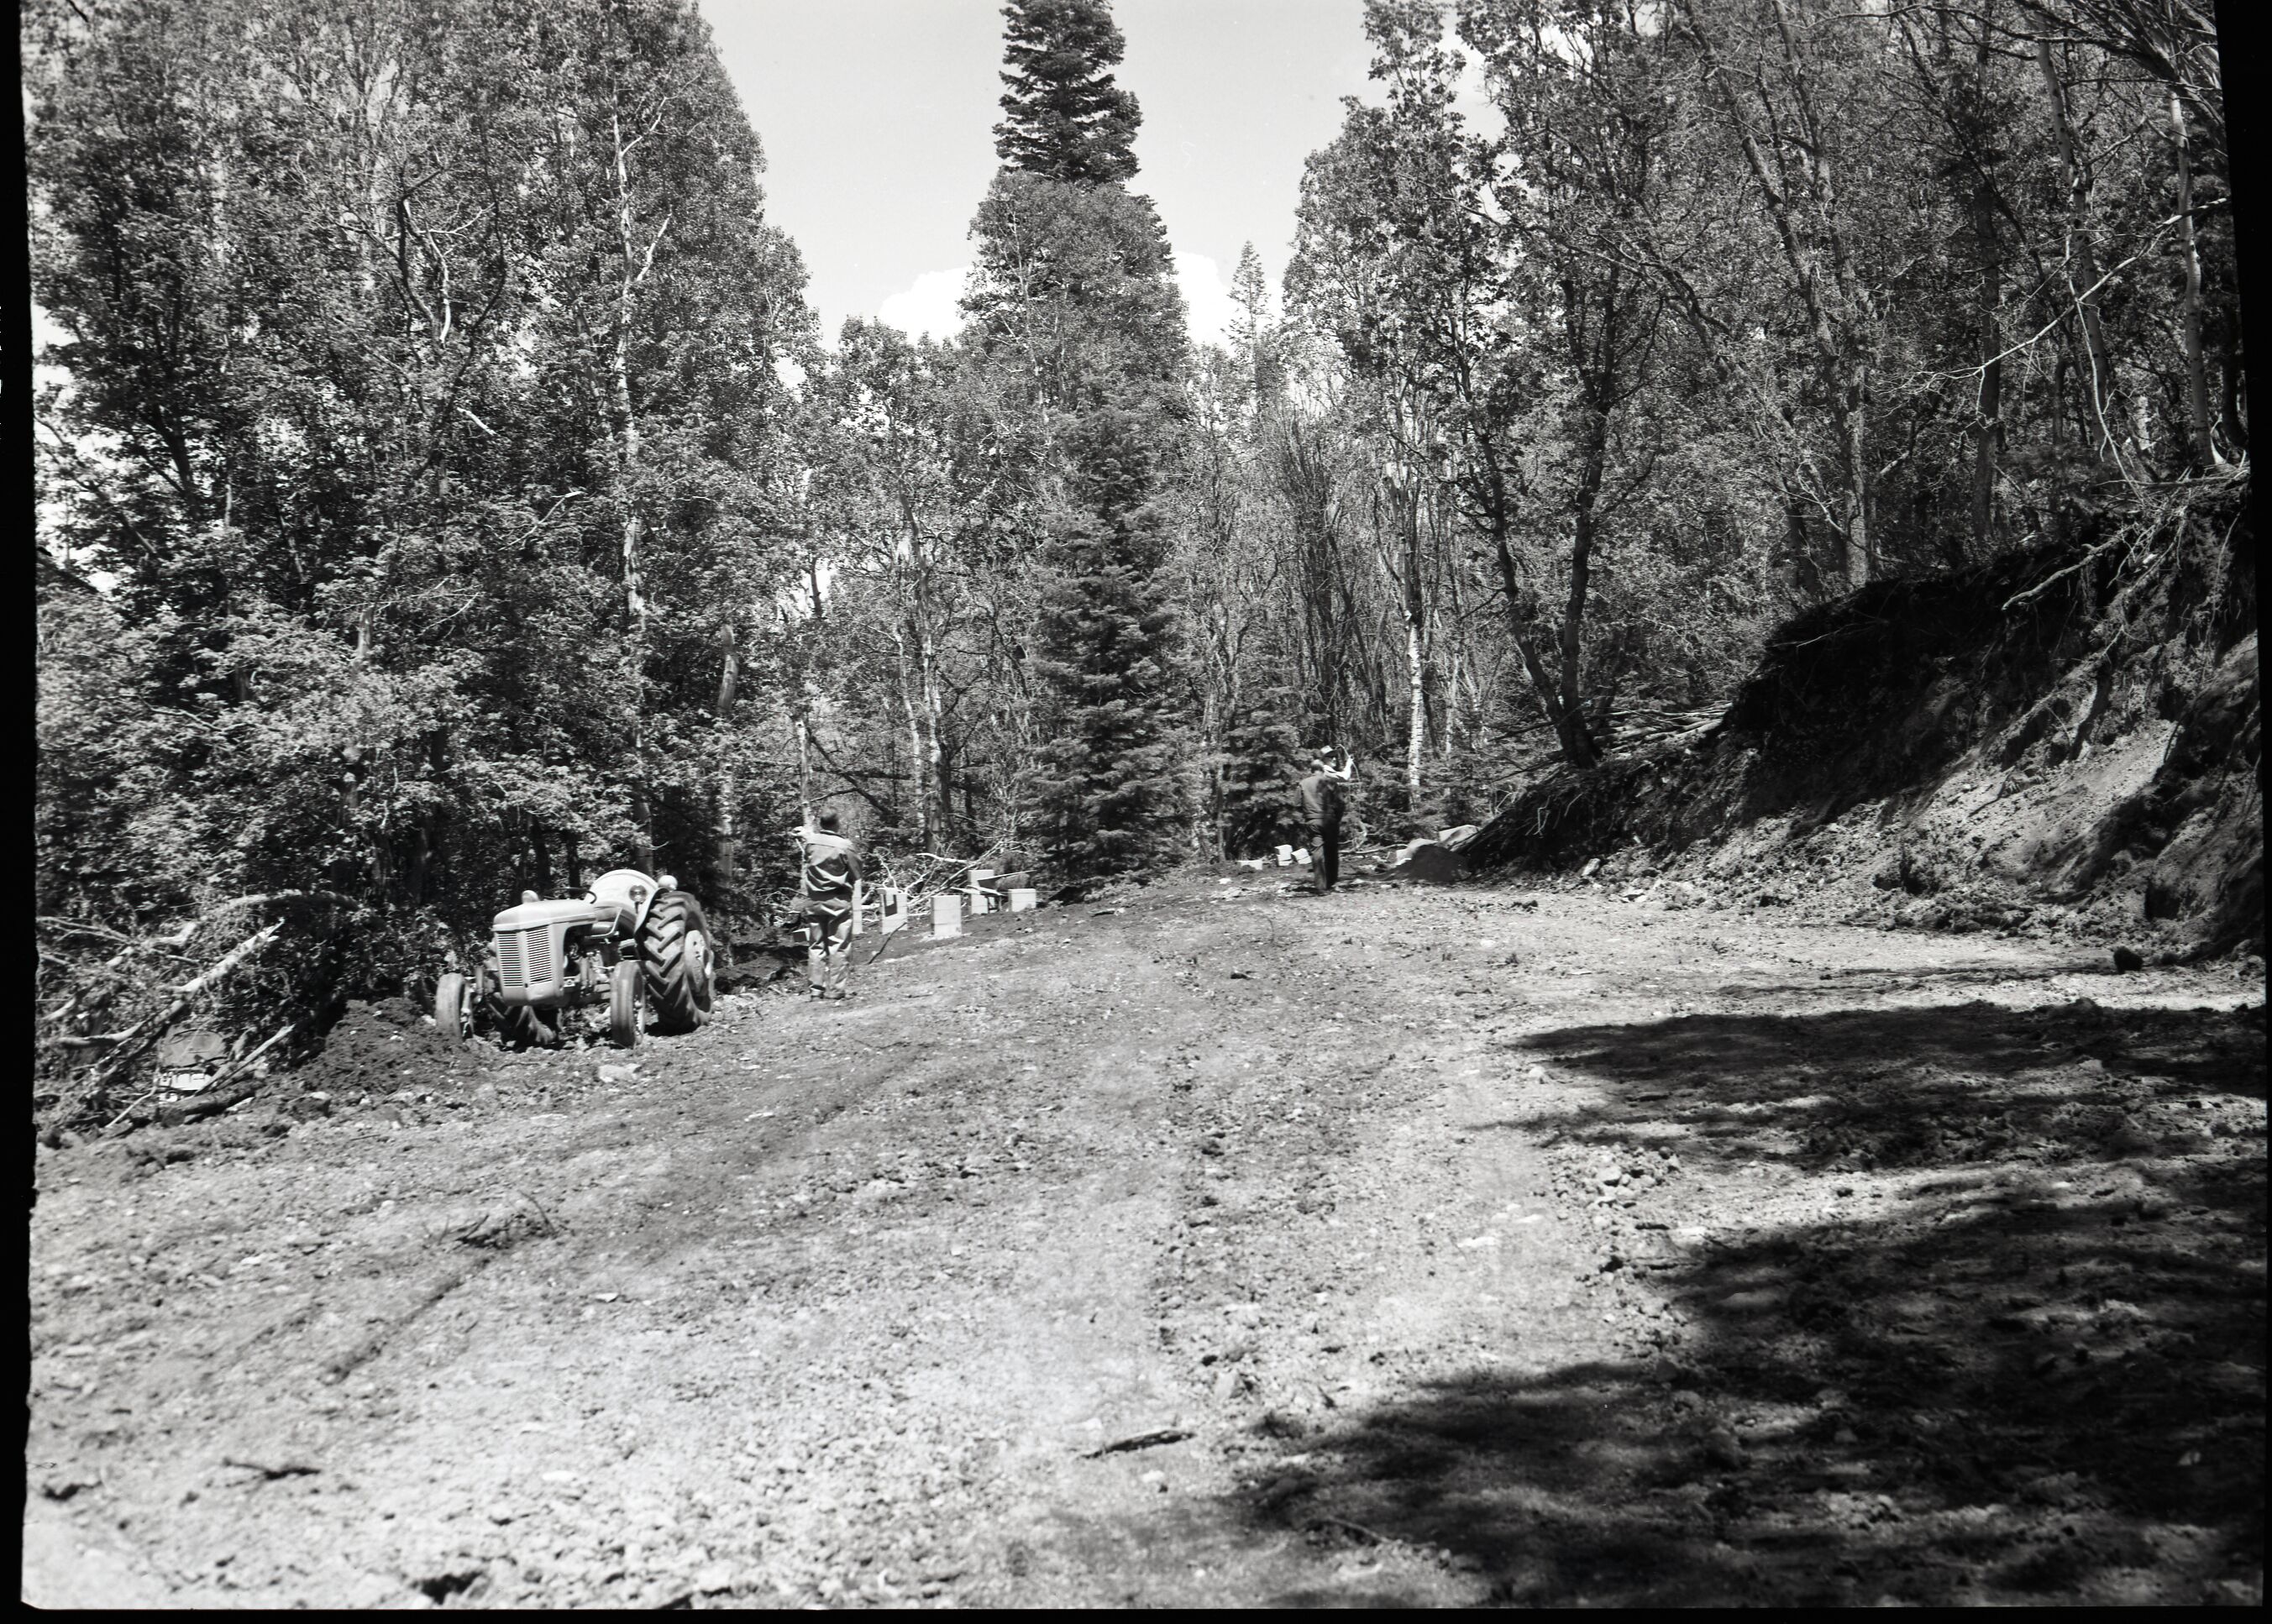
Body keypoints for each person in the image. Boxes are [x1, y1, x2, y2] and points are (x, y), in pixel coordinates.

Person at [792, 811, 863, 999]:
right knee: (838, 946)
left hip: (813, 901)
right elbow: (857, 873)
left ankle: (816, 991)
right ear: (838, 823)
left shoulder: (810, 842)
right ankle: (837, 991)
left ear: (820, 823)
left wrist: (808, 833)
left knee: (816, 946)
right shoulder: (844, 845)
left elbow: (811, 847)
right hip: (837, 901)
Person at [1296, 747, 1353, 893]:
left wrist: (1307, 815)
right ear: (1322, 769)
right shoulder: (1330, 782)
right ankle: (1331, 882)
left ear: (1311, 770)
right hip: (1329, 821)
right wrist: (1337, 818)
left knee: (1317, 852)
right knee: (1332, 851)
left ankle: (1320, 887)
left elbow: (1297, 804)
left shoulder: (1303, 783)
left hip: (1312, 821)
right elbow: (1341, 803)